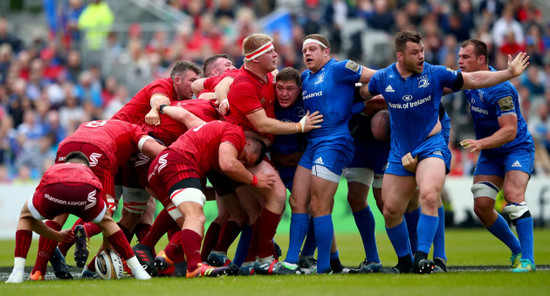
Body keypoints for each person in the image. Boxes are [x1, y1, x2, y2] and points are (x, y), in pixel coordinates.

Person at [361, 31, 529, 274]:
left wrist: (508, 73)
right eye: (414, 53)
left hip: (431, 145)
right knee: (390, 210)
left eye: (422, 51)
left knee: (430, 196)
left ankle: (424, 256)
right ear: (400, 56)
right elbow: (363, 93)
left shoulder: (436, 73)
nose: (421, 56)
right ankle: (406, 261)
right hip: (399, 151)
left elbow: (473, 78)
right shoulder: (383, 78)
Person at [224, 33, 323, 275]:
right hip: (246, 150)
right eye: (270, 52)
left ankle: (247, 262)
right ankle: (265, 257)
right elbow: (264, 125)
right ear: (256, 58)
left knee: (254, 212)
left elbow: (207, 83)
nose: (276, 54)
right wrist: (300, 127)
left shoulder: (269, 77)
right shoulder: (243, 84)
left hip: (260, 153)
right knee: (277, 197)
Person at [288, 33, 377, 274]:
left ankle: (325, 267)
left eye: (313, 49)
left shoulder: (340, 68)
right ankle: (291, 262)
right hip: (312, 144)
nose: (307, 53)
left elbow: (377, 78)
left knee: (320, 205)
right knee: (297, 201)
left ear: (326, 52)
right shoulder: (304, 77)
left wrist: (363, 95)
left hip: (335, 141)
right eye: (305, 50)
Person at [146, 114, 274, 278]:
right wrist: (255, 180)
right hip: (178, 163)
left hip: (158, 168)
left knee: (186, 221)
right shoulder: (236, 133)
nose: (241, 164)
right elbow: (228, 164)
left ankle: (163, 254)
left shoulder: (212, 134)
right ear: (247, 143)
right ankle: (194, 266)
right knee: (196, 217)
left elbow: (188, 118)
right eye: (245, 159)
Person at [6, 152, 151, 283]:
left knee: (26, 216)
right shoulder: (89, 172)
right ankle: (138, 270)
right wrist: (107, 244)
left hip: (53, 189)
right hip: (85, 190)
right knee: (107, 221)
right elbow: (107, 220)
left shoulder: (55, 167)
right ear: (86, 166)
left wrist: (56, 236)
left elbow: (33, 220)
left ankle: (18, 272)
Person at [457, 39, 536, 272]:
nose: (459, 61)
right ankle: (517, 249)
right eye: (459, 56)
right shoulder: (467, 81)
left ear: (481, 60)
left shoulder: (502, 88)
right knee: (481, 205)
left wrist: (480, 143)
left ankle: (529, 261)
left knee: (513, 196)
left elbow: (510, 131)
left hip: (516, 148)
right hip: (491, 153)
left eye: (465, 57)